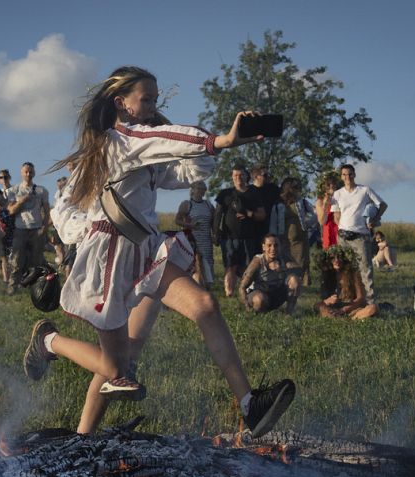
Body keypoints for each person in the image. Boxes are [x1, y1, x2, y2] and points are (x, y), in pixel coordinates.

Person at [24, 66, 295, 438]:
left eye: (155, 98)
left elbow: (185, 170)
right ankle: (49, 344)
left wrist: (220, 146)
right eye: (146, 99)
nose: (153, 105)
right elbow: (164, 138)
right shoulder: (120, 142)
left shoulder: (139, 147)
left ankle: (250, 405)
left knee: (205, 306)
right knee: (116, 368)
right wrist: (221, 139)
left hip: (148, 252)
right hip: (112, 258)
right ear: (122, 104)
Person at [330, 164, 386, 308]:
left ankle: (370, 302)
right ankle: (346, 298)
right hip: (343, 236)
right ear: (341, 177)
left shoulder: (364, 190)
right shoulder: (337, 194)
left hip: (360, 235)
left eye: (350, 174)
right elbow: (336, 215)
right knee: (343, 268)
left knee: (365, 269)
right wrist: (341, 228)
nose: (347, 177)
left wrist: (374, 219)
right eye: (344, 174)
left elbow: (382, 204)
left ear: (354, 175)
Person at [213, 163, 264, 296]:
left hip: (249, 236)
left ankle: (247, 291)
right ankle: (229, 292)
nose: (238, 177)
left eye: (241, 174)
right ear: (231, 176)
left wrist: (248, 214)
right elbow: (217, 214)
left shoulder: (254, 193)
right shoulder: (225, 194)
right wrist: (215, 232)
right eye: (235, 175)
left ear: (246, 176)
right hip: (228, 237)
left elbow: (262, 215)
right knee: (230, 265)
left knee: (248, 266)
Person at [6, 161, 50, 295]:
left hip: (37, 229)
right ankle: (12, 286)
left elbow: (47, 211)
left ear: (34, 173)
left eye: (30, 171)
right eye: (26, 171)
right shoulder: (14, 190)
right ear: (21, 173)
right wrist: (21, 201)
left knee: (37, 260)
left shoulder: (41, 190)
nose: (28, 174)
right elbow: (11, 211)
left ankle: (36, 287)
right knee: (17, 259)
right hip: (20, 228)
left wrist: (45, 227)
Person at [268, 177, 315, 286]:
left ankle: (300, 287)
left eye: (298, 187)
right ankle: (287, 286)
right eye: (294, 187)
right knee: (286, 264)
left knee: (301, 264)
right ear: (287, 188)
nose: (297, 189)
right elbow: (273, 223)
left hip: (300, 241)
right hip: (283, 241)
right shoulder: (278, 204)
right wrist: (273, 238)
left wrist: (308, 223)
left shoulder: (301, 202)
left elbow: (316, 212)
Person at [238, 234, 299, 314]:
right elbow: (242, 287)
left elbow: (299, 271)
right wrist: (247, 307)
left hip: (276, 294)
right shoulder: (258, 262)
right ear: (263, 247)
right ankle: (258, 314)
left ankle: (289, 313)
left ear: (280, 246)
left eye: (276, 245)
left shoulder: (284, 258)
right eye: (269, 245)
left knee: (294, 280)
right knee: (259, 299)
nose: (273, 249)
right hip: (259, 294)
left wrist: (285, 270)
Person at [313, 245, 377, 319]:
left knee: (373, 308)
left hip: (351, 308)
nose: (336, 261)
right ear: (328, 260)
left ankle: (348, 318)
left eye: (339, 257)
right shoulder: (327, 275)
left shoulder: (353, 273)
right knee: (317, 306)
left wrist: (345, 309)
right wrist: (327, 301)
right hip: (333, 308)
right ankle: (338, 317)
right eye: (332, 258)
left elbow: (361, 299)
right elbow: (323, 301)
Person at [175, 180, 215, 288]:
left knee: (208, 264)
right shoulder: (187, 204)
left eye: (203, 189)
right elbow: (177, 220)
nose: (201, 191)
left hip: (206, 239)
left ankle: (207, 287)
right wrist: (190, 225)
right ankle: (194, 286)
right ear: (192, 190)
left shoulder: (208, 204)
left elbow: (213, 221)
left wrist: (214, 234)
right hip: (192, 239)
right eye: (199, 188)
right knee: (195, 264)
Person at [247, 165, 279, 249]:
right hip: (252, 231)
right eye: (265, 175)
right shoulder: (248, 191)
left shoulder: (273, 189)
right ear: (256, 177)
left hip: (270, 229)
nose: (268, 177)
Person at [0, 188, 14, 283]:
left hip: (13, 234)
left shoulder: (11, 204)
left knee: (14, 258)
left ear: (1, 194)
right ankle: (6, 279)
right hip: (2, 236)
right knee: (4, 258)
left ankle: (15, 279)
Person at [315, 170, 340, 250]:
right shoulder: (320, 201)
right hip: (328, 232)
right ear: (324, 188)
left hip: (340, 232)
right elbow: (322, 221)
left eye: (333, 185)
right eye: (328, 186)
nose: (331, 188)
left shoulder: (341, 198)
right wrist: (325, 205)